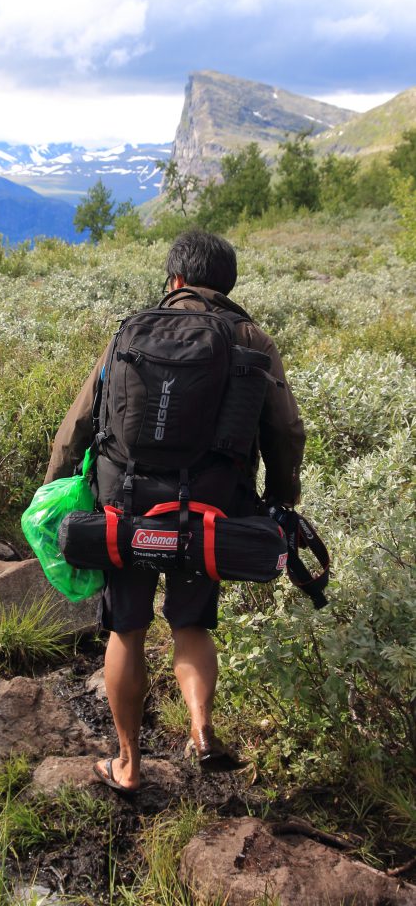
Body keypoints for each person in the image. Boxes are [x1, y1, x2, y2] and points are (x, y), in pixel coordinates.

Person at [44, 231, 305, 793]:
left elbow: (78, 424)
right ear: (226, 284)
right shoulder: (249, 335)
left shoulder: (130, 329)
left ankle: (130, 765)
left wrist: (56, 489)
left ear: (176, 280)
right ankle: (202, 729)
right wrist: (282, 500)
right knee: (190, 622)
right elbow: (284, 429)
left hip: (125, 504)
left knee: (127, 629)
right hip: (210, 506)